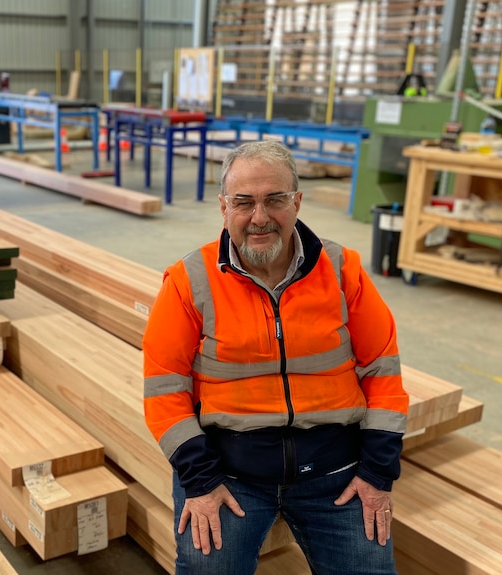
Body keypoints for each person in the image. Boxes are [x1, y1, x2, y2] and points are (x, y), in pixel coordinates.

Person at [142, 140, 409, 575]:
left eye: (275, 200)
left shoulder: (342, 270)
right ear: (223, 208)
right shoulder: (190, 280)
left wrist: (377, 475)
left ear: (297, 202)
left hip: (336, 472)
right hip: (229, 474)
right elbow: (164, 387)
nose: (260, 217)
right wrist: (201, 482)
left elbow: (383, 370)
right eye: (244, 202)